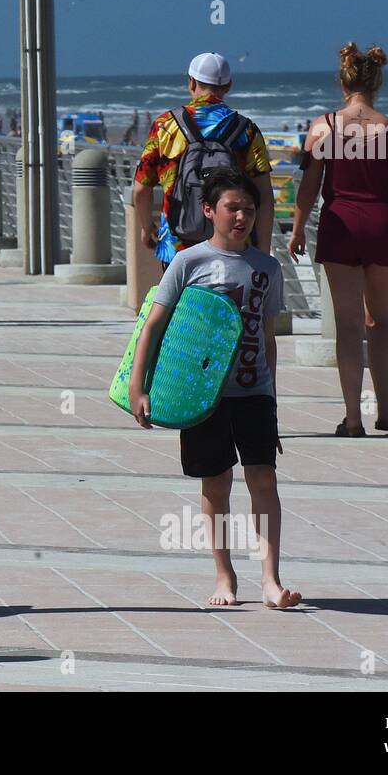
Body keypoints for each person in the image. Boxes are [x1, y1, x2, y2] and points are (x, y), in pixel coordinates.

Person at [129, 169, 299, 609]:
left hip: (254, 391)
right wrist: (138, 386)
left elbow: (267, 337)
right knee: (216, 484)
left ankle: (271, 579)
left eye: (249, 208)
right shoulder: (189, 262)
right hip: (203, 395)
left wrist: (274, 403)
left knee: (264, 478)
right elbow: (155, 324)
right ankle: (224, 576)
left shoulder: (267, 266)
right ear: (209, 211)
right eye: (232, 208)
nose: (242, 216)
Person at [288, 42, 388, 437]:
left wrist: (298, 228)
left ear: (343, 80)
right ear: (377, 82)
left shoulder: (323, 126)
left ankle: (352, 418)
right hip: (385, 224)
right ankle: (385, 411)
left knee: (348, 326)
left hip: (340, 223)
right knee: (380, 320)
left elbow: (309, 186)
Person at [133, 52, 275, 269]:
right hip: (232, 247)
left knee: (182, 303)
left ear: (191, 82)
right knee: (226, 303)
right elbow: (264, 197)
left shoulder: (165, 125)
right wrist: (263, 252)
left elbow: (141, 190)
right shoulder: (246, 130)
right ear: (228, 86)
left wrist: (146, 227)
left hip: (177, 246)